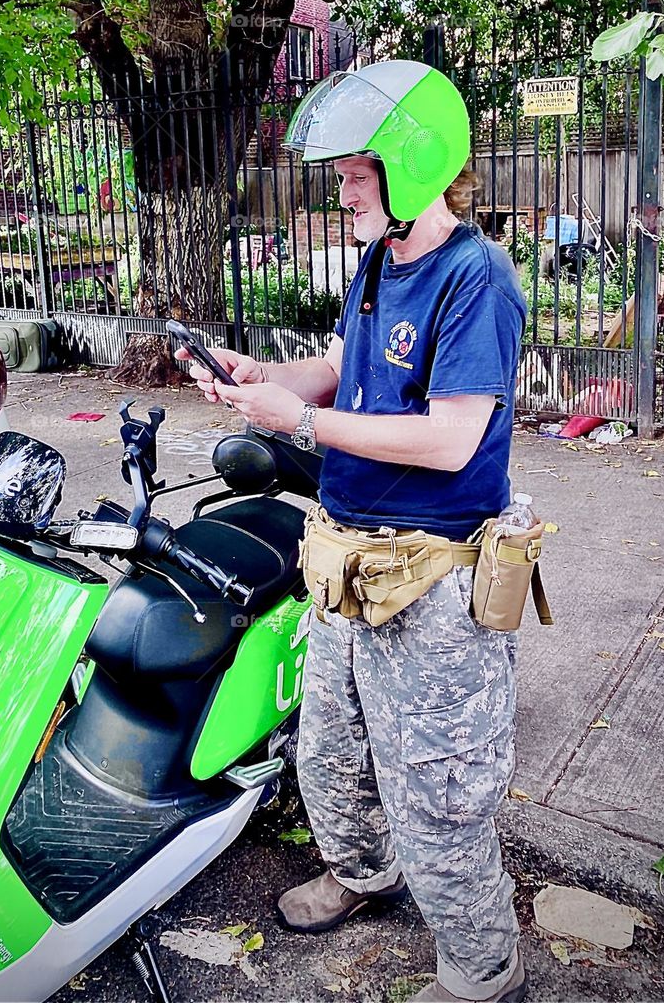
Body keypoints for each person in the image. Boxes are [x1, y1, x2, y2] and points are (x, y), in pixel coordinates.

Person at [178, 61, 528, 1003]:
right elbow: (338, 369)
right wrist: (264, 379)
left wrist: (298, 426)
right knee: (330, 751)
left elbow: (454, 439)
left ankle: (483, 967)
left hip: (433, 584)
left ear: (410, 166)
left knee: (440, 795)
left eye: (352, 173)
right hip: (347, 563)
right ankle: (362, 875)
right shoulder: (379, 262)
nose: (339, 192)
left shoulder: (475, 279)